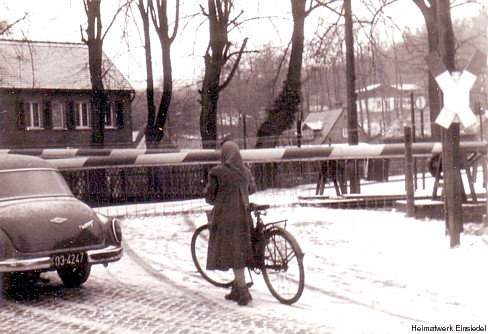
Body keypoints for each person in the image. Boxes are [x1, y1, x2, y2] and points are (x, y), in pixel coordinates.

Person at [204, 140, 257, 306]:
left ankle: (243, 291)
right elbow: (252, 189)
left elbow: (210, 197)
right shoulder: (245, 171)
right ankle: (236, 288)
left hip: (226, 218)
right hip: (244, 216)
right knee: (239, 249)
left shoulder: (217, 172)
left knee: (234, 253)